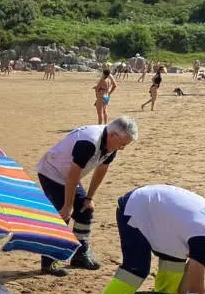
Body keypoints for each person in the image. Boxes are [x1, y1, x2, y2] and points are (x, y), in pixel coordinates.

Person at [35, 116, 138, 276]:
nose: (122, 148)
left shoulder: (111, 145)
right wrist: (68, 205)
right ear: (112, 135)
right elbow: (72, 176)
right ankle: (49, 262)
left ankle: (80, 254)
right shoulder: (89, 142)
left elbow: (101, 170)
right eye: (122, 144)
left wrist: (89, 198)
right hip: (52, 172)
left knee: (85, 210)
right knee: (63, 216)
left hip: (70, 176)